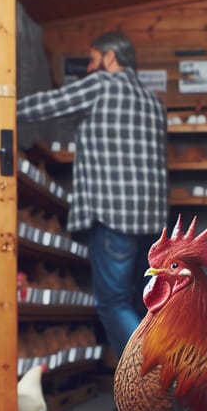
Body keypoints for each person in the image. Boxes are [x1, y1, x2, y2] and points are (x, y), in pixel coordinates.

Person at [16, 30, 168, 359]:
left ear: (110, 57)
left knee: (112, 302)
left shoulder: (102, 85)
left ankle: (148, 380)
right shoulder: (153, 100)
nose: (89, 67)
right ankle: (161, 381)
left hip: (114, 214)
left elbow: (49, 105)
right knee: (145, 301)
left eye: (93, 59)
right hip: (152, 220)